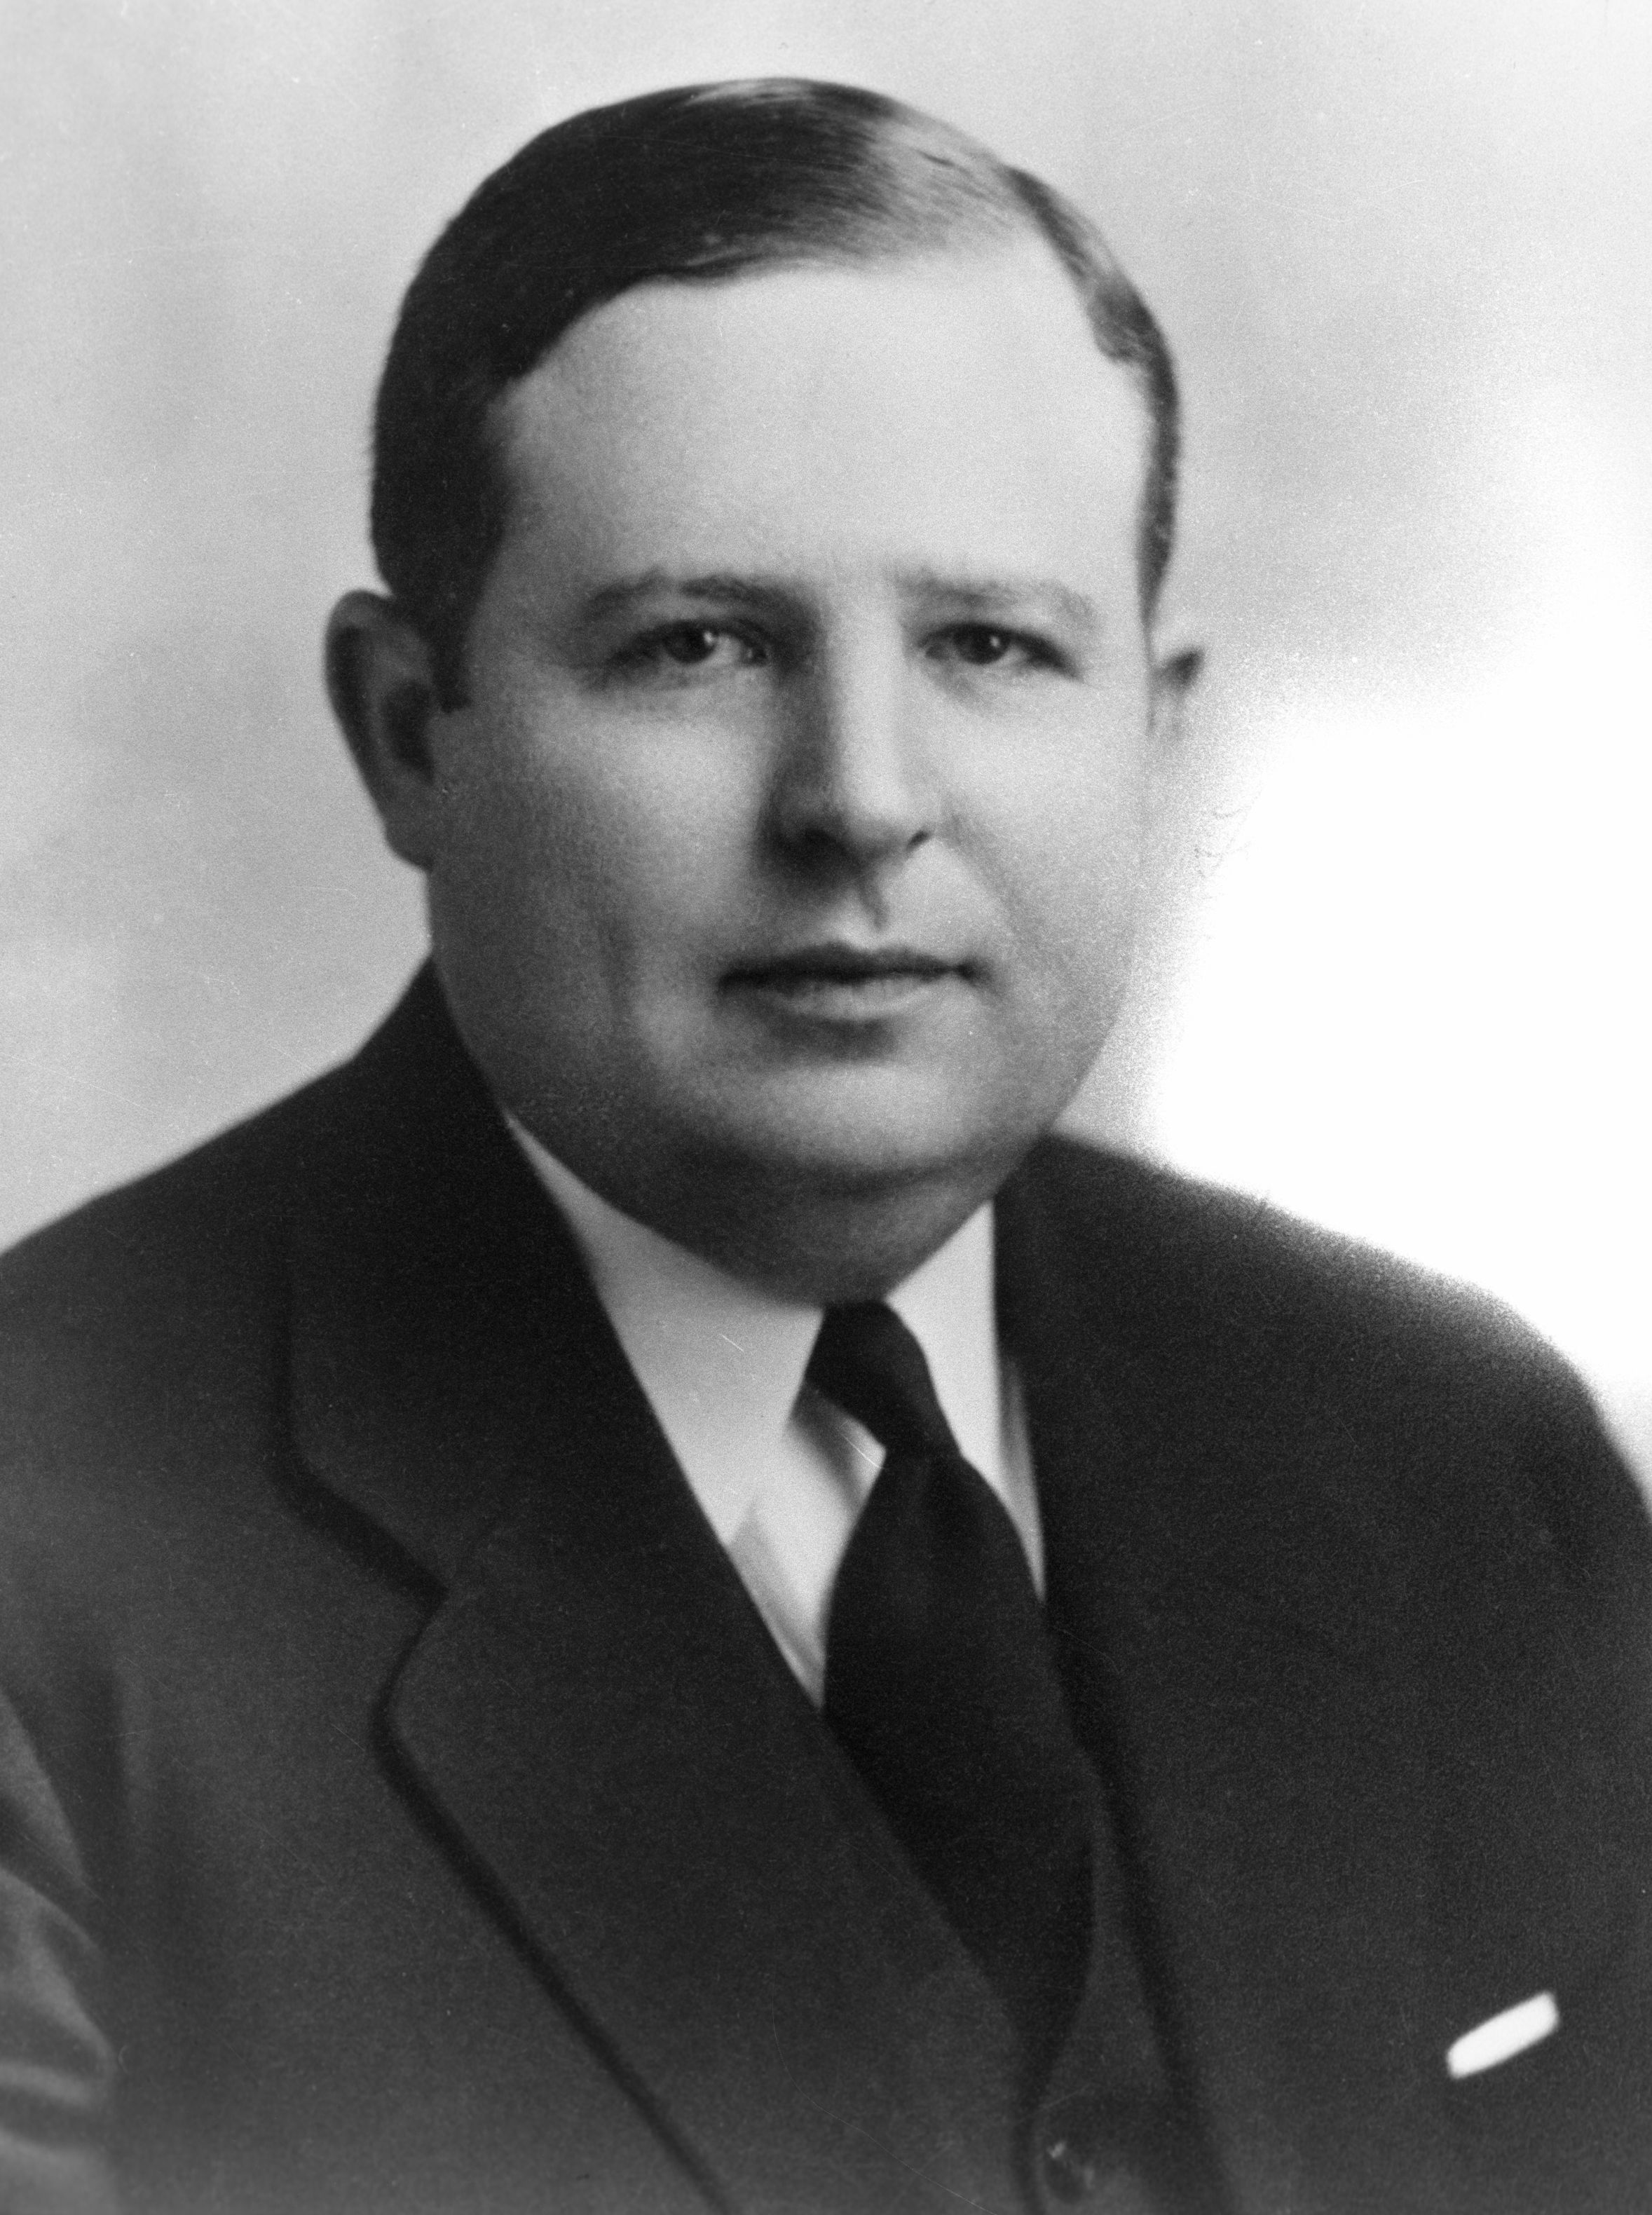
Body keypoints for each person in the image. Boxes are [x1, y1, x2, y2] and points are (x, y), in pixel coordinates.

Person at [1, 77, 1649, 2215]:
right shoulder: (47, 1537)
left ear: (1152, 734)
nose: (861, 796)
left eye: (990, 646)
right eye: (697, 645)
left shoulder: (1458, 1453)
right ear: (411, 733)